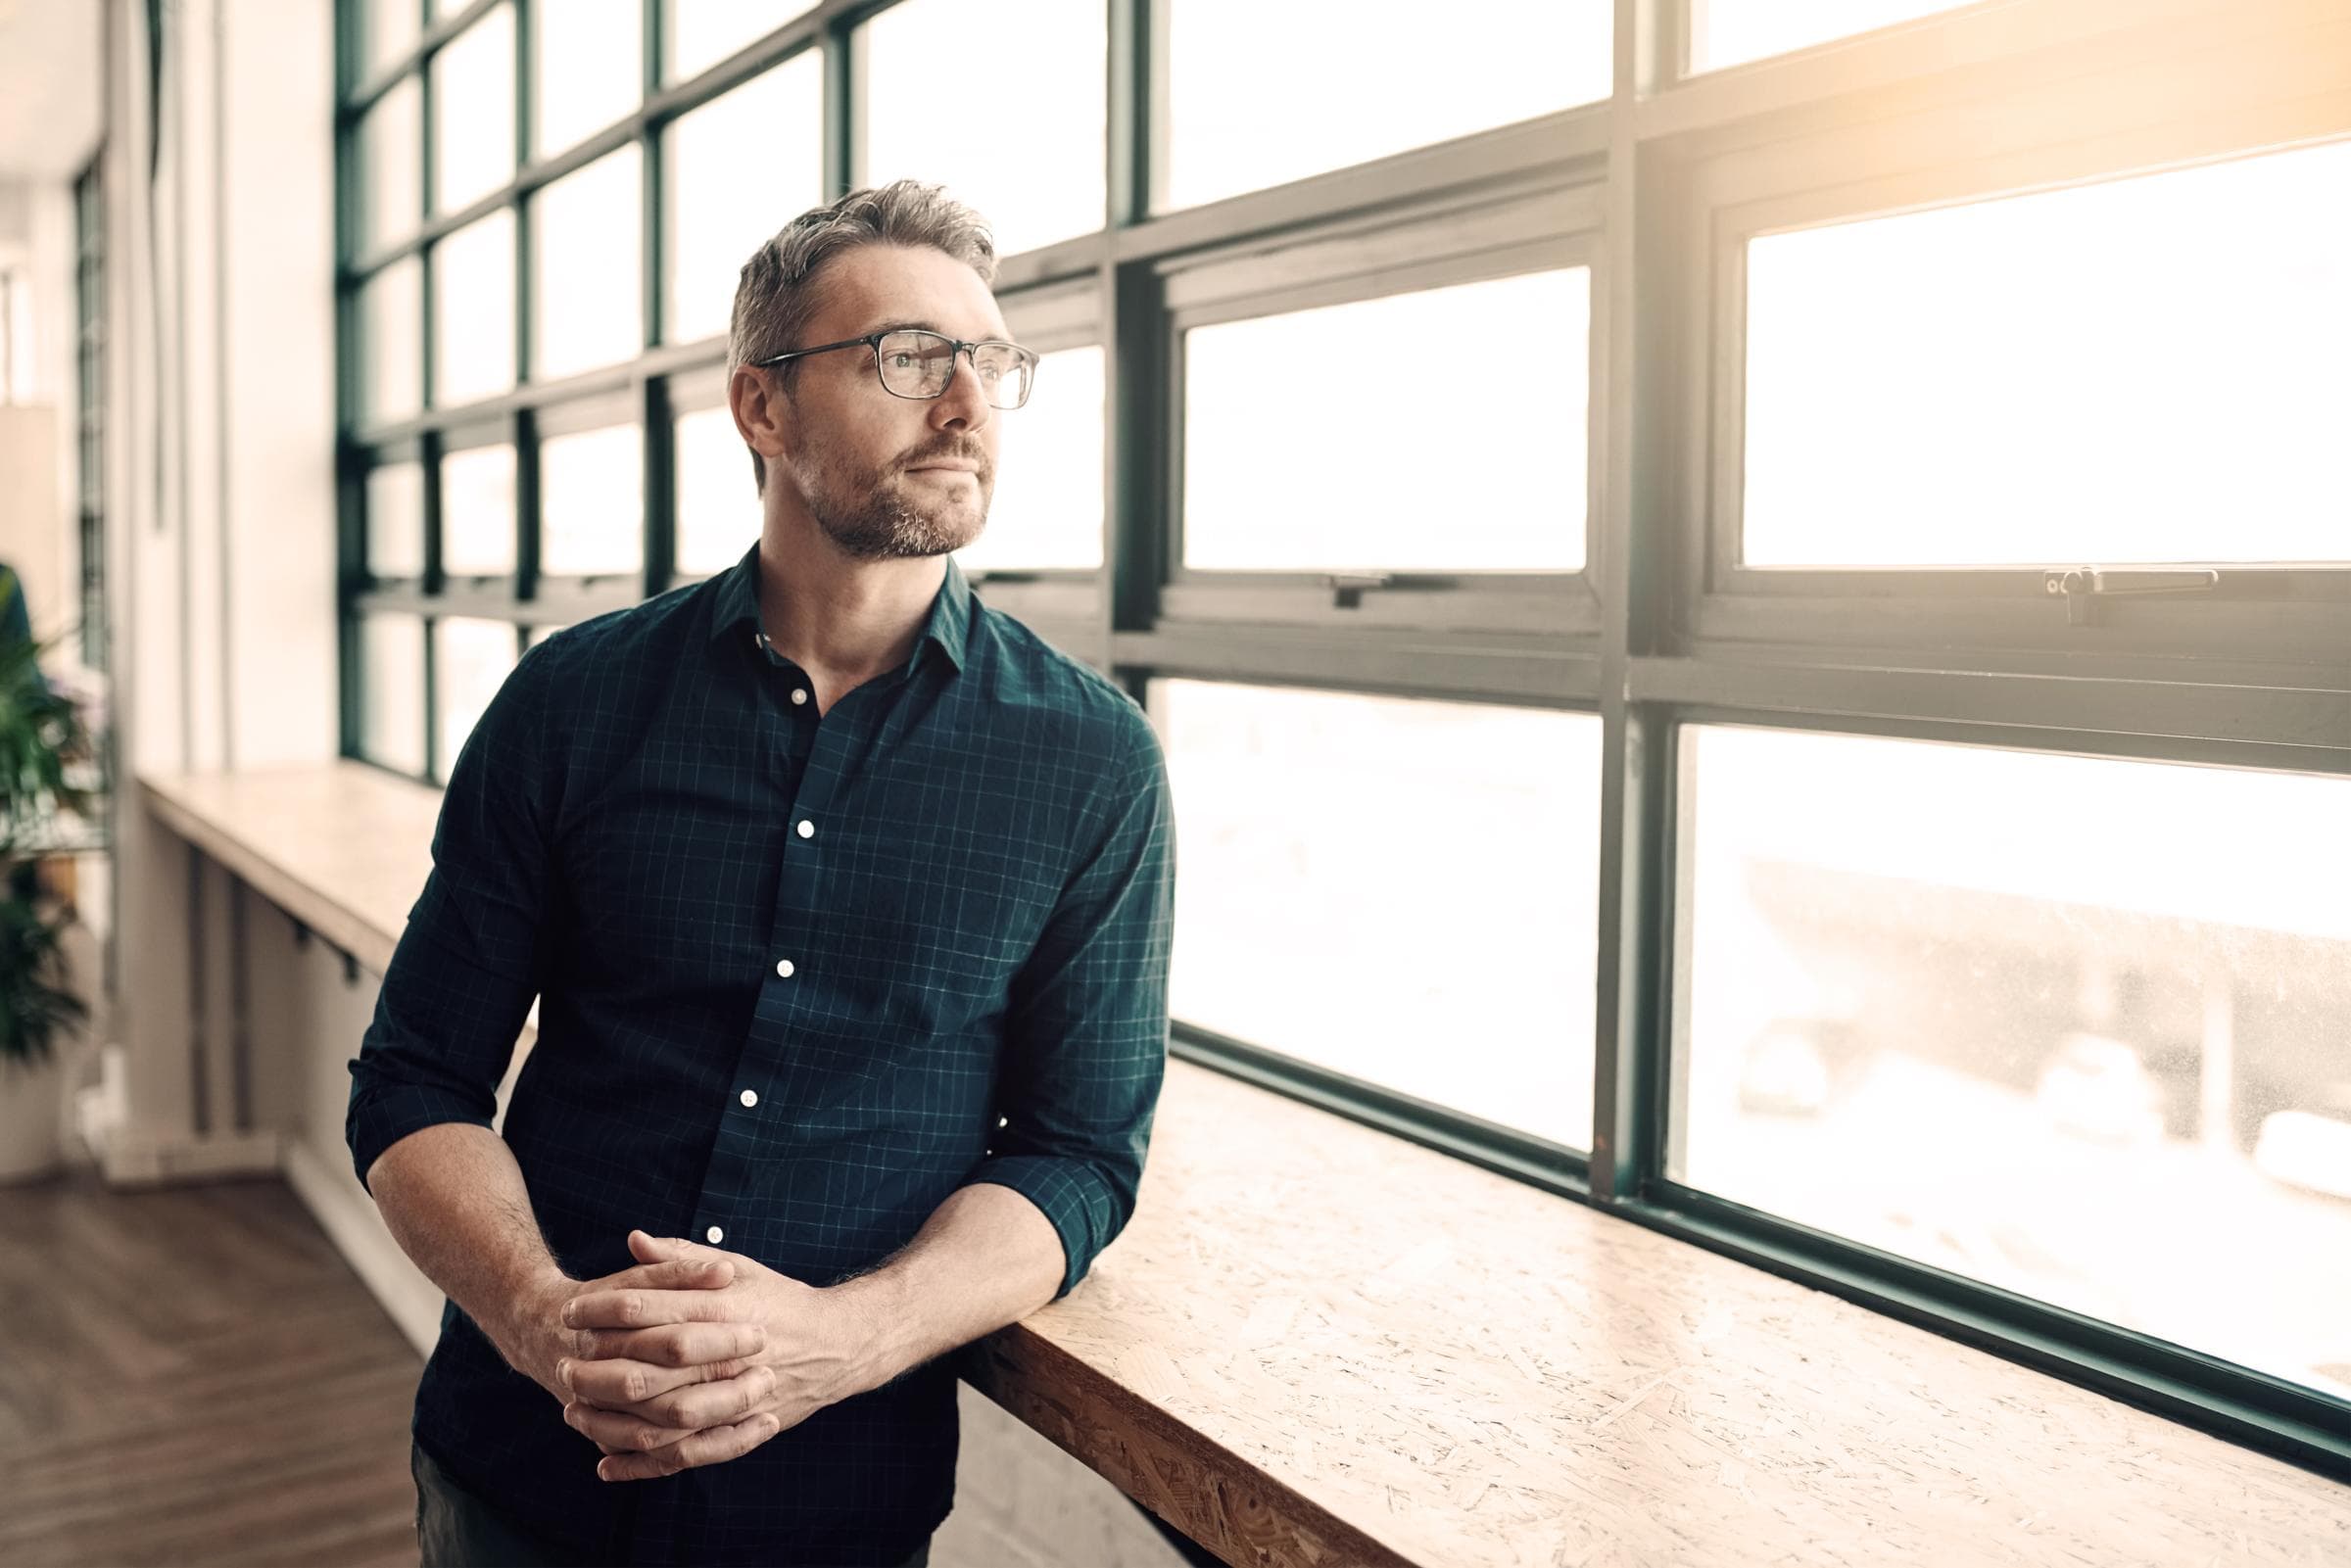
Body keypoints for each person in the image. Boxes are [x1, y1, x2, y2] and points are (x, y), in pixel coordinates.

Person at [347, 180, 1178, 1568]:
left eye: (990, 362)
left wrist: (834, 1344)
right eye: (911, 357)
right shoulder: (570, 704)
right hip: (521, 1472)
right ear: (762, 407)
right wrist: (544, 1316)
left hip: (832, 1503)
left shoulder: (1092, 764)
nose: (965, 403)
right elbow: (414, 1075)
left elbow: (1082, 1153)